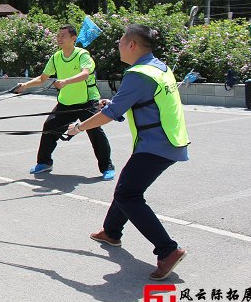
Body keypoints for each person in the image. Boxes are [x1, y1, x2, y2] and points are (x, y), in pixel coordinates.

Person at [66, 24, 189, 280]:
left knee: (128, 194)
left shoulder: (138, 74)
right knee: (127, 187)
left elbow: (110, 115)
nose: (118, 45)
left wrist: (78, 127)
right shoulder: (159, 68)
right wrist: (113, 103)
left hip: (156, 145)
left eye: (121, 40)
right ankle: (112, 231)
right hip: (169, 140)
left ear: (132, 44)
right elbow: (142, 102)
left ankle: (168, 249)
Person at [16, 24, 114, 180]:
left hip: (87, 101)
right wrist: (25, 86)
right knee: (49, 128)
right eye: (58, 35)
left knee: (95, 132)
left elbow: (85, 74)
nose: (59, 38)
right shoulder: (56, 57)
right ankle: (44, 162)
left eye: (63, 36)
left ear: (73, 39)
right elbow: (43, 78)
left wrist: (66, 81)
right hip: (66, 102)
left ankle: (107, 167)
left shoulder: (82, 55)